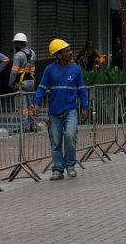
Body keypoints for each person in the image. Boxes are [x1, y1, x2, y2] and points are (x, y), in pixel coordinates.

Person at [33, 39, 88, 180]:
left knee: (70, 136)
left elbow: (82, 90)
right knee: (56, 142)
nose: (71, 52)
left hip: (71, 110)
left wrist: (85, 107)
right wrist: (36, 103)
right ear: (59, 55)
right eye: (67, 51)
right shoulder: (49, 70)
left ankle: (70, 165)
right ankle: (57, 170)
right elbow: (41, 88)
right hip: (54, 113)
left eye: (70, 50)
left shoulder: (76, 70)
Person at [9, 33, 37, 132]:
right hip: (31, 81)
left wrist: (11, 84)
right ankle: (33, 126)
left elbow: (14, 72)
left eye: (15, 43)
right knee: (31, 105)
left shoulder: (18, 55)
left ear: (19, 43)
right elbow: (32, 68)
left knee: (23, 107)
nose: (15, 45)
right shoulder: (32, 53)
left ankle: (25, 127)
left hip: (21, 83)